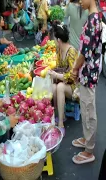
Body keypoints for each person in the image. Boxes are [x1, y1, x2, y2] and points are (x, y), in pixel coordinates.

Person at [71, 0, 104, 164]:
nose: (80, 1)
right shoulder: (94, 18)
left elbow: (85, 51)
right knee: (85, 106)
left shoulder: (94, 20)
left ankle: (89, 150)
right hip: (87, 71)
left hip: (88, 72)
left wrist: (75, 68)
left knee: (89, 109)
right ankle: (87, 138)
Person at [47, 21, 77, 136]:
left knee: (59, 87)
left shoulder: (71, 52)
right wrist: (53, 72)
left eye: (54, 39)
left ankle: (60, 124)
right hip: (64, 83)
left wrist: (57, 75)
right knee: (54, 87)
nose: (53, 42)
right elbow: (59, 68)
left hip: (74, 86)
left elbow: (73, 76)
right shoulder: (59, 51)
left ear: (58, 40)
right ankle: (59, 116)